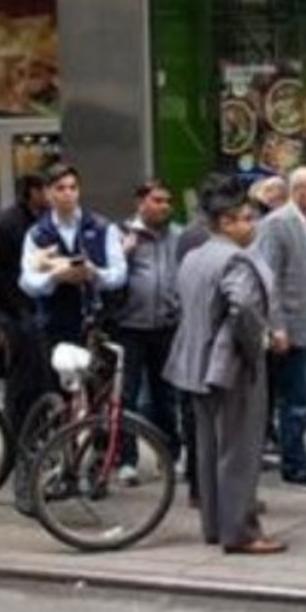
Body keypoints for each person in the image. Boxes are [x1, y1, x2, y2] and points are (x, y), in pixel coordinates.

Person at [165, 186, 287, 556]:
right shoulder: (237, 261)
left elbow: (180, 301)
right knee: (239, 450)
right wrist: (259, 342)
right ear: (226, 222)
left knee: (208, 448)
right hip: (230, 365)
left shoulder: (193, 257)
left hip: (193, 363)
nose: (252, 225)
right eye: (246, 218)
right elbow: (244, 308)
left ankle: (216, 526)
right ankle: (241, 532)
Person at [255, 166, 306, 488]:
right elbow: (268, 278)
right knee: (295, 400)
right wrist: (276, 326)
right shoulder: (278, 224)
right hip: (293, 323)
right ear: (294, 191)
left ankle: (301, 457)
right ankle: (294, 466)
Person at [115, 179, 185, 484]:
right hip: (130, 326)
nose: (164, 206)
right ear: (140, 203)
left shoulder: (176, 235)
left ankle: (170, 454)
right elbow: (109, 275)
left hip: (166, 326)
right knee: (126, 395)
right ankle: (126, 459)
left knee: (165, 394)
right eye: (157, 200)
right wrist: (123, 252)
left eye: (167, 201)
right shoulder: (121, 234)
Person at [18, 162, 128, 354]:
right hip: (55, 327)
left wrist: (95, 274)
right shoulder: (37, 234)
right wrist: (55, 277)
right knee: (57, 383)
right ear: (47, 192)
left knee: (99, 383)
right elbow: (27, 282)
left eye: (73, 187)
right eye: (60, 188)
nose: (68, 193)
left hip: (98, 325)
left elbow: (120, 274)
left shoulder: (102, 227)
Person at [0, 173, 49, 438]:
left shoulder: (44, 222)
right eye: (47, 189)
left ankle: (40, 432)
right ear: (32, 192)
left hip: (39, 310)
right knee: (22, 380)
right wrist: (9, 312)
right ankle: (18, 437)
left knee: (42, 379)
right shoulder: (7, 223)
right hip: (16, 311)